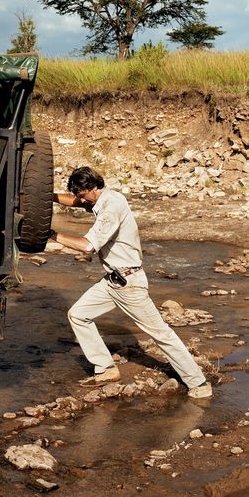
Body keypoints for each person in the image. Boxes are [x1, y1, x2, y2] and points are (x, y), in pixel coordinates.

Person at [50, 166, 213, 399]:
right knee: (78, 315)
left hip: (129, 284)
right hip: (112, 282)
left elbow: (87, 246)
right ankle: (105, 368)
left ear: (93, 188)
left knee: (161, 334)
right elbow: (74, 202)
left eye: (83, 194)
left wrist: (54, 236)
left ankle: (199, 384)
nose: (80, 199)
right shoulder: (102, 197)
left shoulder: (111, 208)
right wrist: (48, 195)